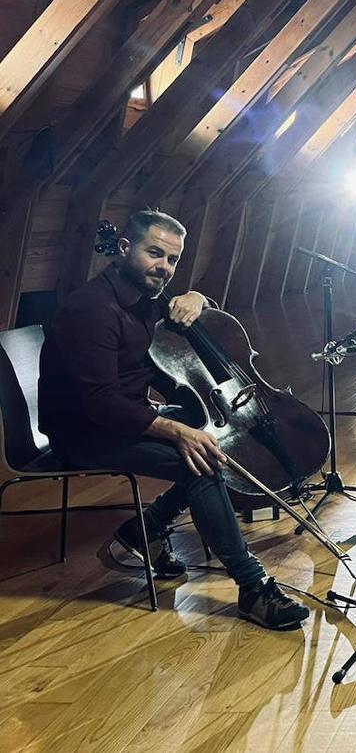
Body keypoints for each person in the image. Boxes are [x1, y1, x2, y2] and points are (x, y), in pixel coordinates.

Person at [39, 210, 310, 630]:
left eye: (172, 260)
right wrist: (173, 429)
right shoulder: (91, 310)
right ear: (126, 249)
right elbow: (100, 403)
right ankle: (253, 587)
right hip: (84, 432)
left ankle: (147, 527)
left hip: (124, 417)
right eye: (154, 253)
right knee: (199, 462)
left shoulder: (146, 300)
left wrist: (199, 297)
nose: (163, 267)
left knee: (204, 433)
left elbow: (200, 316)